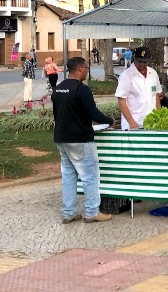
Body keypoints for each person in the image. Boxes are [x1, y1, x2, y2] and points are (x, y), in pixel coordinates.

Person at [53, 57, 115, 224]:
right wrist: (109, 120)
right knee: (90, 176)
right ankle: (92, 211)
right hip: (80, 139)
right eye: (86, 68)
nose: (87, 71)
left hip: (61, 138)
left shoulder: (58, 89)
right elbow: (92, 113)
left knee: (68, 176)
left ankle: (68, 213)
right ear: (80, 69)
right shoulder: (82, 89)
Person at [115, 46, 162, 130]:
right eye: (139, 61)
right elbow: (121, 101)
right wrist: (132, 124)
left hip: (152, 124)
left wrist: (159, 117)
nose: (142, 64)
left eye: (145, 62)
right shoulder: (126, 76)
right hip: (133, 124)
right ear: (134, 58)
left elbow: (156, 96)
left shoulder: (153, 73)